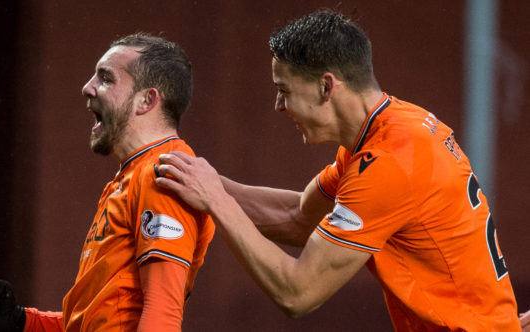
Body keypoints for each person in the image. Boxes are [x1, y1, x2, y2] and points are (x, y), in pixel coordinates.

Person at [155, 10, 523, 331]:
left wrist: (216, 200)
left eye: (284, 90)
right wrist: (194, 177)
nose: (278, 106)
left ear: (326, 86)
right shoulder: (388, 131)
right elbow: (298, 216)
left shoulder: (390, 161)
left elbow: (297, 293)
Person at [0, 33, 215, 332]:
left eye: (106, 78)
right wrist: (24, 321)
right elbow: (100, 320)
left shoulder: (166, 171)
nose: (87, 88)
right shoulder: (132, 176)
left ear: (147, 100)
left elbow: (163, 312)